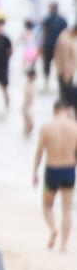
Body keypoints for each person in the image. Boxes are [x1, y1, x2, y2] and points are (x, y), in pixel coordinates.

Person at [32, 98, 77, 251]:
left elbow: (39, 151)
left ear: (54, 111)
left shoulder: (46, 127)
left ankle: (53, 229)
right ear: (66, 110)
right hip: (69, 171)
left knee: (47, 206)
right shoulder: (74, 126)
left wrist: (35, 172)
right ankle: (64, 246)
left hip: (52, 170)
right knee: (67, 210)